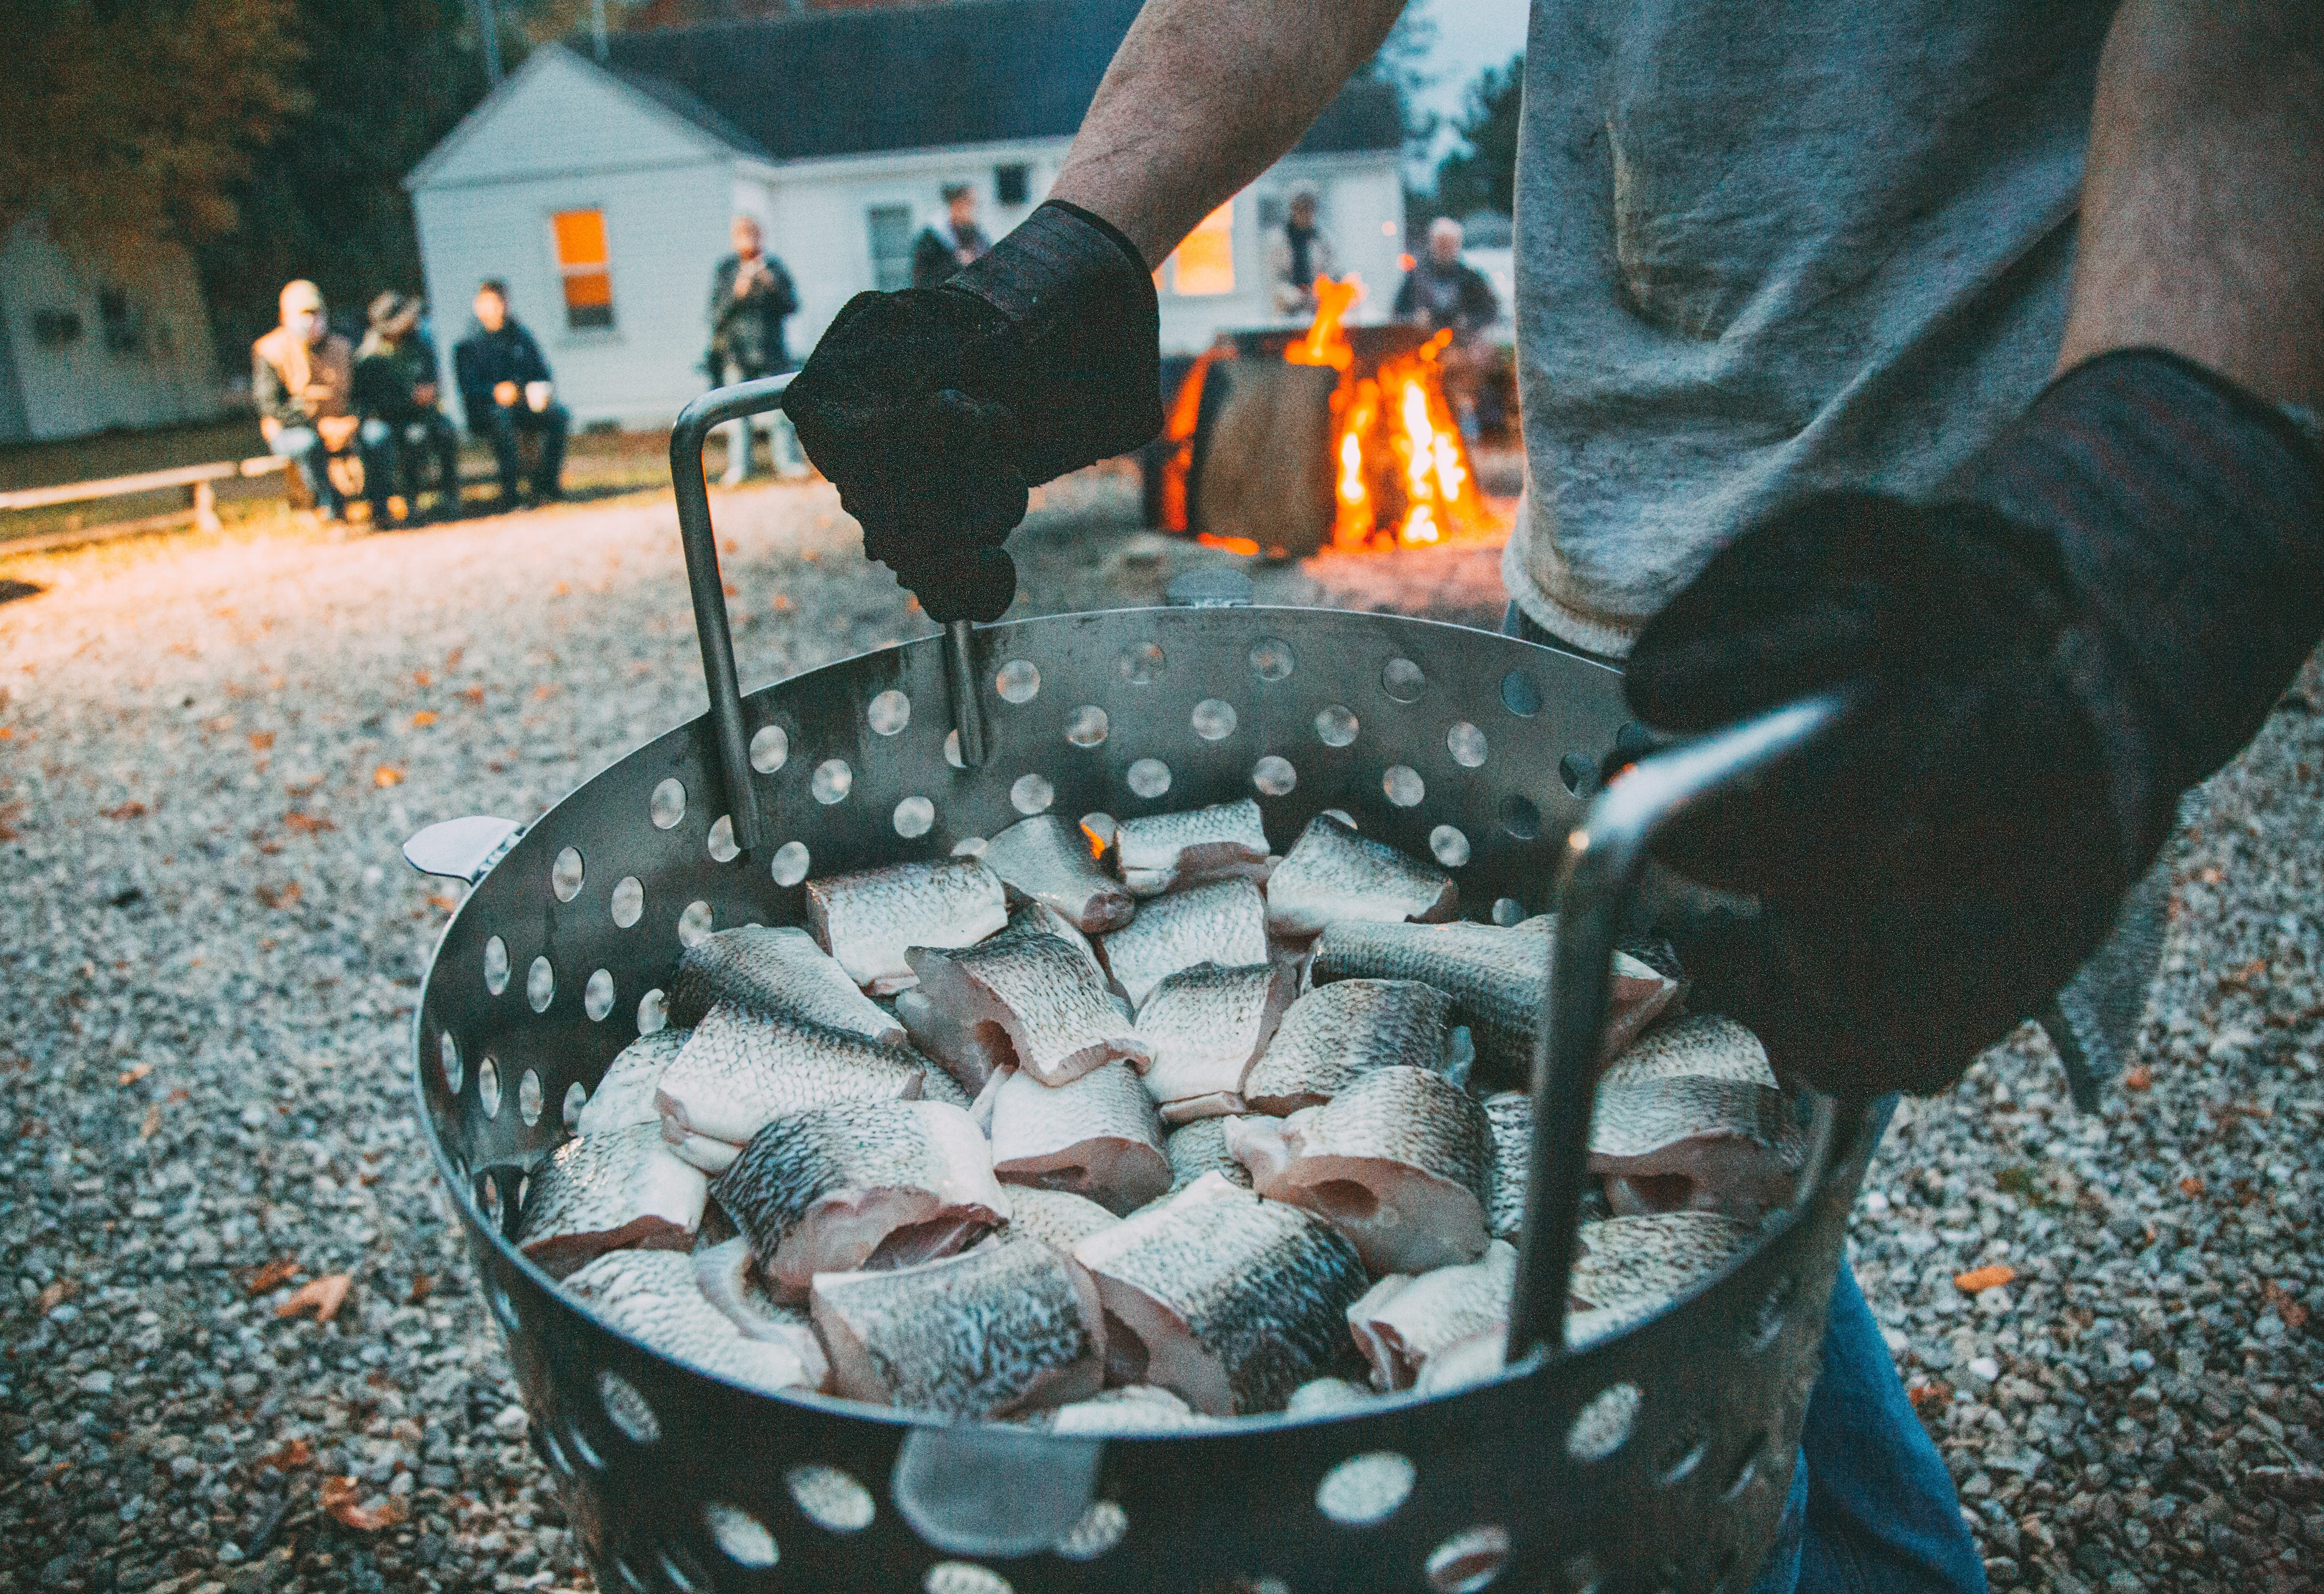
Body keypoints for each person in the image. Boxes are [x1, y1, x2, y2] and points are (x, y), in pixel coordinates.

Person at [782, 2, 2322, 1590]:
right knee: (1685, 1176)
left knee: (1694, 1264)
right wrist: (1078, 244)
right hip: (1593, 585)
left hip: (1952, 595)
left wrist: (2142, 486)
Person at [252, 280, 395, 529]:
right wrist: (318, 426)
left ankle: (381, 509)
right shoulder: (269, 350)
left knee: (378, 436)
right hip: (294, 430)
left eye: (315, 313)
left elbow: (362, 395)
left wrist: (353, 421)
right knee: (307, 444)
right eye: (302, 314)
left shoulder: (343, 346)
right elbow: (271, 406)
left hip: (343, 425)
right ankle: (332, 511)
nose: (310, 321)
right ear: (284, 316)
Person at [705, 215, 806, 482]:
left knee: (781, 413)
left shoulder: (774, 266)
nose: (750, 241)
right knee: (738, 415)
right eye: (744, 235)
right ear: (735, 239)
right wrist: (737, 292)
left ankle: (787, 461)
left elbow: (793, 305)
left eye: (755, 234)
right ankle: (740, 466)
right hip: (737, 353)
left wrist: (772, 285)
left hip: (773, 351)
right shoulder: (727, 270)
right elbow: (714, 314)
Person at [453, 280, 568, 510]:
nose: (499, 307)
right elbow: (468, 388)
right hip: (486, 412)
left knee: (559, 415)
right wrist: (494, 392)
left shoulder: (521, 337)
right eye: (492, 302)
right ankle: (510, 493)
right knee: (503, 420)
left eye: (502, 300)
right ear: (478, 306)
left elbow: (543, 372)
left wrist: (538, 390)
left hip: (524, 405)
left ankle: (547, 486)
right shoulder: (468, 345)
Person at [1393, 217, 1504, 439]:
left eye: (1450, 244)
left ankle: (1478, 422)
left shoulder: (1472, 279)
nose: (1445, 249)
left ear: (1457, 246)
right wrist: (1415, 320)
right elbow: (1397, 314)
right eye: (1440, 243)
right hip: (1424, 350)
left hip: (1463, 346)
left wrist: (1472, 325)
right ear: (1431, 245)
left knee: (1478, 363)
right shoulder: (1415, 279)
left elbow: (1490, 310)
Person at [355, 292, 461, 519]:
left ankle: (450, 499)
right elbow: (372, 401)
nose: (410, 321)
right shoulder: (370, 355)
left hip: (419, 414)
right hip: (385, 418)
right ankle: (386, 508)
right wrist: (410, 399)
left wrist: (429, 392)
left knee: (444, 431)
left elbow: (433, 378)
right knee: (380, 438)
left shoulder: (419, 343)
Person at [1263, 184, 1338, 320]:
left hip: (1318, 311)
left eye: (1309, 208)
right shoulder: (1278, 240)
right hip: (1286, 312)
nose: (1305, 213)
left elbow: (1331, 272)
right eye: (1301, 208)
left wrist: (1318, 292)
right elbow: (1275, 278)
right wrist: (1295, 296)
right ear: (1293, 209)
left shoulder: (1323, 239)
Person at [911, 185, 989, 288]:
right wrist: (957, 263)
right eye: (971, 204)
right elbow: (923, 278)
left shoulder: (977, 234)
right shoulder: (933, 237)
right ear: (957, 204)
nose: (975, 210)